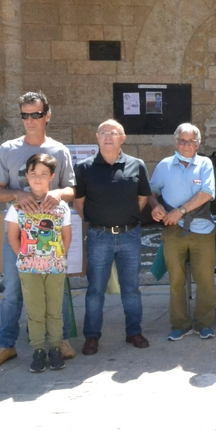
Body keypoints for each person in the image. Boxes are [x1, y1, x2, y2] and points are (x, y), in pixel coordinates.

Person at [0, 91, 76, 369]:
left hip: (50, 239)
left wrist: (58, 193)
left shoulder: (59, 150)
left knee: (56, 291)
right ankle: (6, 344)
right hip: (20, 235)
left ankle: (58, 341)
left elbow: (71, 189)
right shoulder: (7, 149)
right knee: (13, 290)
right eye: (25, 115)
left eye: (36, 114)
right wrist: (17, 194)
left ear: (47, 116)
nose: (30, 120)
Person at [74, 120, 151, 355]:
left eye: (114, 133)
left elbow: (142, 199)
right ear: (97, 137)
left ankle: (134, 332)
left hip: (129, 235)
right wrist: (98, 220)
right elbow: (79, 203)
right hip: (99, 236)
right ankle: (92, 337)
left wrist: (124, 217)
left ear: (123, 138)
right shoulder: (84, 168)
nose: (109, 136)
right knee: (95, 289)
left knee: (131, 288)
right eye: (104, 133)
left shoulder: (136, 165)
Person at [148, 123, 216, 341]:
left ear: (198, 143)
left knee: (205, 279)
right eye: (182, 140)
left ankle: (204, 324)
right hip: (172, 230)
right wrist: (154, 205)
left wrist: (180, 211)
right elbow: (151, 190)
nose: (186, 145)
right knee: (176, 280)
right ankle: (180, 324)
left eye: (191, 141)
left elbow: (207, 193)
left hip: (202, 230)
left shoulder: (205, 163)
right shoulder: (164, 165)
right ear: (176, 142)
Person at [5, 154, 72, 373]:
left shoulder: (61, 207)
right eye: (33, 174)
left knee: (54, 309)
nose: (38, 179)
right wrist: (24, 257)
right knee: (35, 310)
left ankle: (55, 347)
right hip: (29, 268)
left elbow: (66, 235)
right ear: (26, 176)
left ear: (52, 177)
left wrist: (59, 257)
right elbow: (12, 236)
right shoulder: (18, 207)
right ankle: (38, 350)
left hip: (54, 267)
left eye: (44, 174)